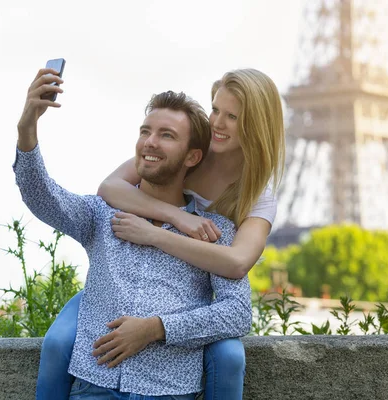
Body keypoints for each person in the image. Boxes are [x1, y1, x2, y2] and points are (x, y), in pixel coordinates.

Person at [37, 68, 286, 400]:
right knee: (55, 344)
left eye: (232, 117)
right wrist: (177, 217)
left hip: (189, 293)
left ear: (255, 126)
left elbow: (237, 262)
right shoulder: (190, 152)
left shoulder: (257, 195)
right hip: (120, 283)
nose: (216, 123)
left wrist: (157, 236)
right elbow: (110, 188)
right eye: (215, 110)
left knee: (229, 357)